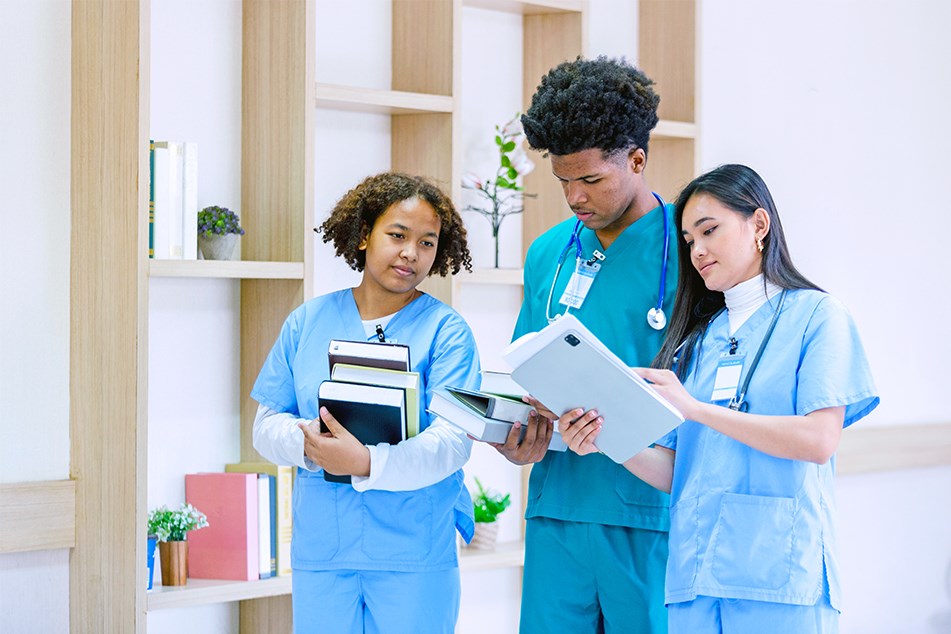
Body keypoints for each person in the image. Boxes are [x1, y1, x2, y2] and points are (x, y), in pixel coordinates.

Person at [558, 164, 879, 633]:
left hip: (779, 575)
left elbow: (818, 439)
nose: (698, 250)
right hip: (695, 577)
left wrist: (694, 409)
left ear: (759, 225)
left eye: (709, 231)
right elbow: (677, 468)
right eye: (688, 240)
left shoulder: (818, 316)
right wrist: (606, 440)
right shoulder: (698, 341)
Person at [493, 56, 679, 633]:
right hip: (558, 510)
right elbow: (529, 372)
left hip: (647, 515)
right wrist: (520, 435)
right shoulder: (549, 252)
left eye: (591, 180)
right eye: (563, 181)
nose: (574, 197)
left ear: (637, 160)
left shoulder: (692, 257)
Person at [251, 172, 481, 634]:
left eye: (427, 242)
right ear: (362, 236)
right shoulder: (307, 322)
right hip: (324, 551)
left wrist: (367, 462)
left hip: (413, 553)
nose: (411, 253)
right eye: (397, 235)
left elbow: (454, 441)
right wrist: (308, 443)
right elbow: (265, 424)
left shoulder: (447, 332)